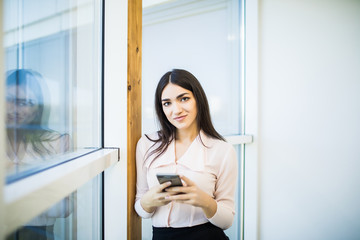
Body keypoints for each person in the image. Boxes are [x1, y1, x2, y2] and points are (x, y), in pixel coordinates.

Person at [135, 69, 237, 240]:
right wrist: (148, 201)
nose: (176, 110)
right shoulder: (147, 144)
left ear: (198, 99)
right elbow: (141, 210)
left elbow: (227, 221)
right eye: (167, 103)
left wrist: (204, 201)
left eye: (184, 99)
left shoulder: (223, 150)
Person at [5, 69, 73, 240]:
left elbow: (64, 208)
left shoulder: (55, 142)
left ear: (37, 109)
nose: (14, 109)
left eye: (24, 102)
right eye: (9, 100)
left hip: (37, 234)